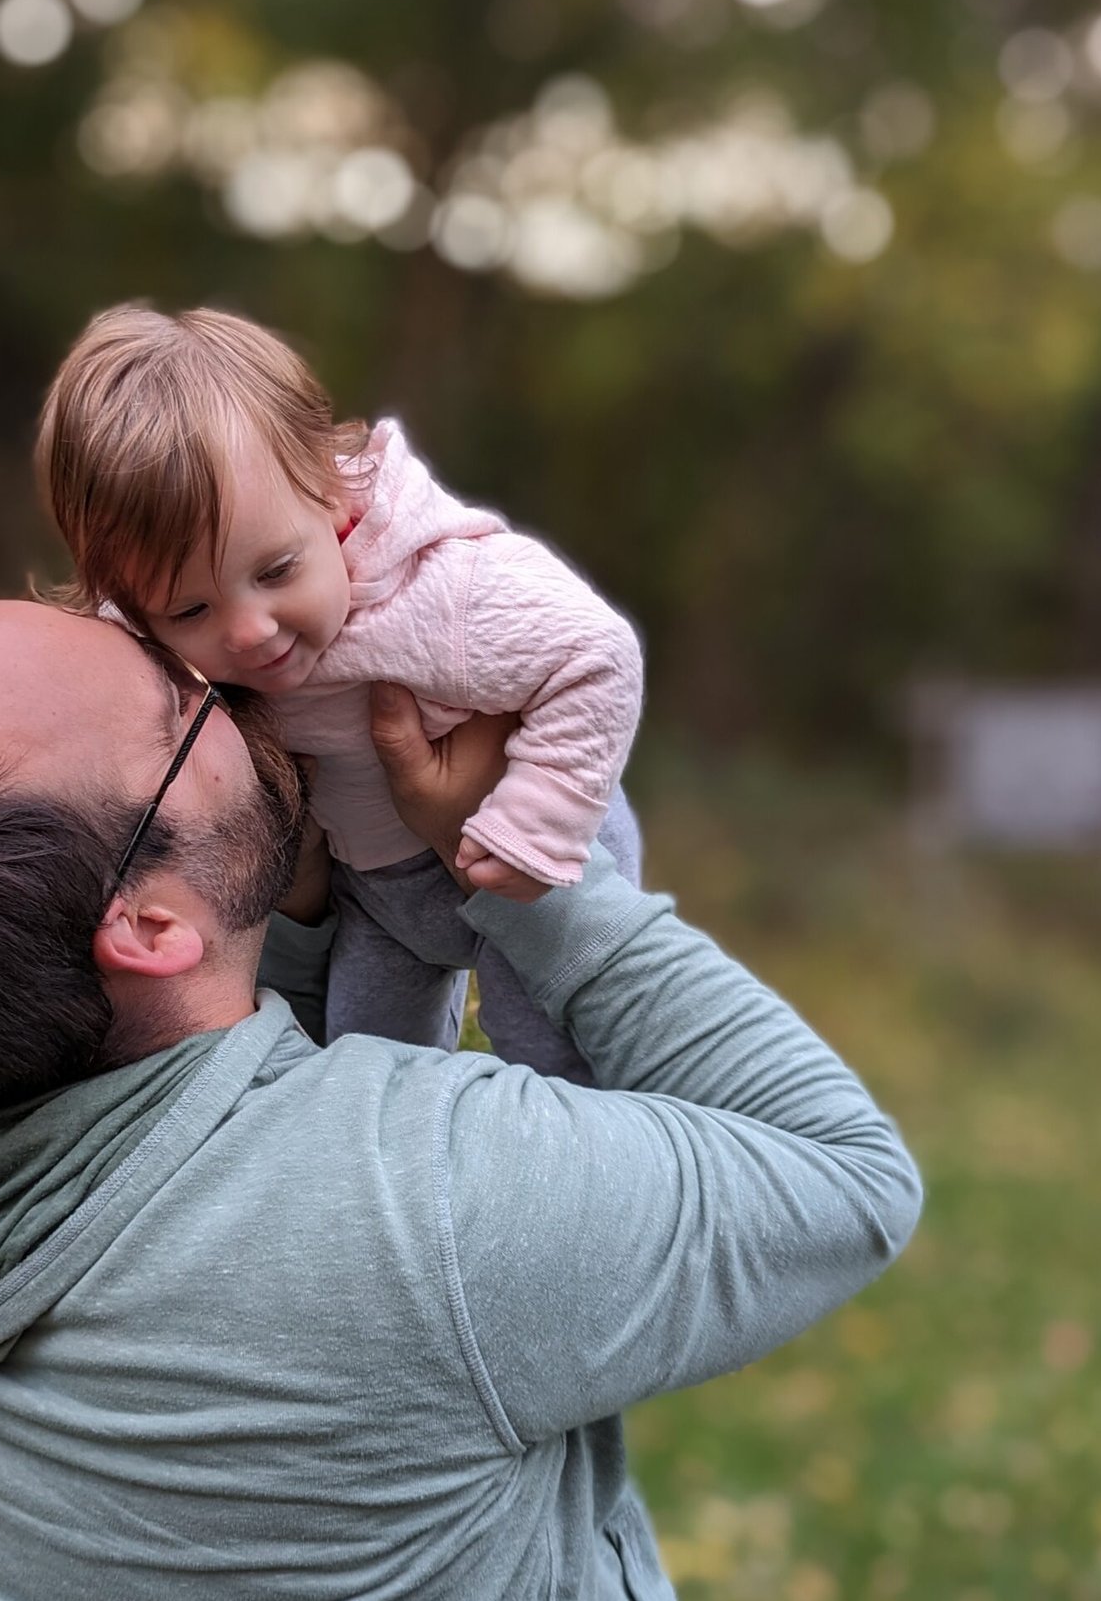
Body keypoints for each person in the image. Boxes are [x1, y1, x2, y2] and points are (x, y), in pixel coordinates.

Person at [0, 598, 921, 1601]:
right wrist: (518, 854)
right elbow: (839, 1176)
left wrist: (280, 897)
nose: (228, 671)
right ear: (141, 925)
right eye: (178, 705)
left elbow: (196, 1060)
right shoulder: (422, 1201)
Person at [36, 303, 645, 1081]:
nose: (249, 630)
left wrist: (542, 821)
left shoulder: (442, 590)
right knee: (363, 1072)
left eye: (277, 571)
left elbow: (597, 653)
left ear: (332, 490)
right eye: (192, 609)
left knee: (552, 1056)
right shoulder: (158, 651)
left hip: (528, 855)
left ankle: (599, 1172)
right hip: (380, 900)